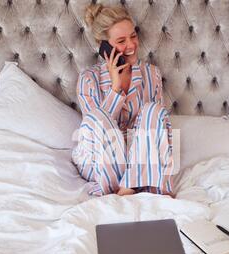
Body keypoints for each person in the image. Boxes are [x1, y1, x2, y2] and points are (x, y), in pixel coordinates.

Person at [72, 2, 174, 197]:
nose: (131, 45)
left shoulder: (151, 74)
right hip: (100, 158)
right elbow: (97, 130)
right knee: (95, 118)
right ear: (104, 46)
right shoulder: (88, 80)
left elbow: (154, 128)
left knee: (155, 110)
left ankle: (130, 186)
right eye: (121, 41)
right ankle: (132, 186)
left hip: (141, 155)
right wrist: (116, 88)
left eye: (133, 36)